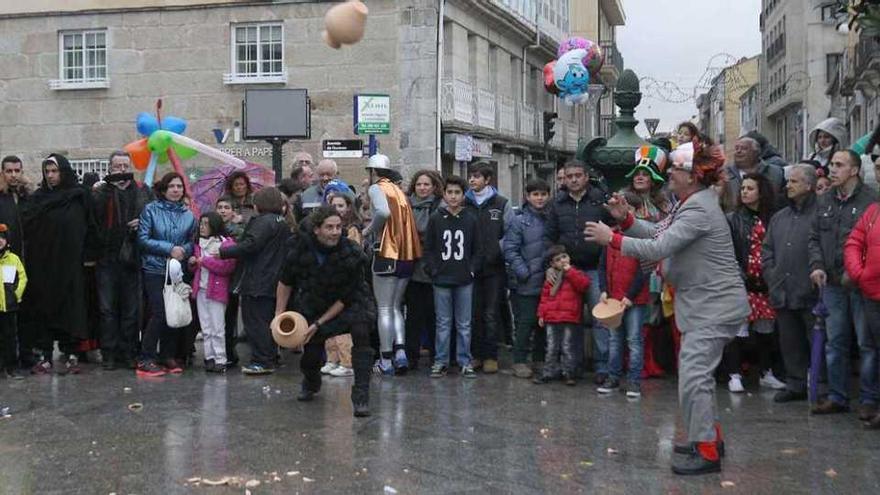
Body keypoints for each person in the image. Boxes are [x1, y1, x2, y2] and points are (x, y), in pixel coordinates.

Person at [585, 142, 749, 475]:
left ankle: (706, 451)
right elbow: (660, 232)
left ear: (692, 175)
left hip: (713, 307)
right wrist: (627, 220)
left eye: (675, 168)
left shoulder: (698, 208)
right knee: (695, 378)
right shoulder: (690, 204)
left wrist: (613, 239)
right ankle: (707, 438)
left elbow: (660, 246)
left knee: (693, 378)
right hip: (706, 305)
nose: (669, 173)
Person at [276, 206, 376, 416]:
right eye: (329, 227)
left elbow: (347, 297)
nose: (335, 232)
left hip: (350, 301)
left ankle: (361, 395)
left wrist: (318, 324)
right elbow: (285, 282)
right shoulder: (298, 249)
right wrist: (279, 316)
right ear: (316, 230)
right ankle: (311, 382)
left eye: (339, 227)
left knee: (361, 333)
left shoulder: (352, 253)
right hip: (314, 300)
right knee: (311, 355)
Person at [809, 150, 878, 418]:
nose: (832, 169)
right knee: (834, 341)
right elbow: (814, 237)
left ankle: (869, 399)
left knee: (867, 343)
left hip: (862, 285)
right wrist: (816, 266)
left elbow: (872, 241)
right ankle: (837, 397)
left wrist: (857, 272)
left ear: (854, 170)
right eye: (832, 164)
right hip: (833, 283)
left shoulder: (871, 200)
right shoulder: (825, 200)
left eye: (839, 165)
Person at [21, 154, 97, 375]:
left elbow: (91, 226)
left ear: (63, 171)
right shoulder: (39, 198)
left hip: (72, 264)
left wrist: (90, 255)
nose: (51, 176)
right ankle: (45, 355)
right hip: (44, 265)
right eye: (48, 172)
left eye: (55, 171)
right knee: (45, 308)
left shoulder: (79, 196)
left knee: (71, 309)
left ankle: (72, 353)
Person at [544, 159, 614, 383]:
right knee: (570, 319)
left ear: (586, 177)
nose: (573, 179)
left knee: (600, 319)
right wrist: (551, 265)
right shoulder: (557, 203)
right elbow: (550, 236)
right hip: (567, 270)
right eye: (570, 176)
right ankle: (571, 367)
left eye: (578, 175)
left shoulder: (598, 201)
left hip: (595, 268)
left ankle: (603, 367)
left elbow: (612, 231)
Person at [721, 173, 786, 393]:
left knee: (765, 330)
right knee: (738, 330)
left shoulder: (772, 219)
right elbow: (729, 252)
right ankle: (734, 374)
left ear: (761, 192)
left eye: (750, 188)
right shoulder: (732, 219)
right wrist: (740, 276)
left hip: (765, 284)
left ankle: (766, 372)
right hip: (741, 283)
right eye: (743, 188)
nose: (745, 192)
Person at [219, 187, 292, 375]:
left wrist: (223, 251)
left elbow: (250, 245)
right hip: (274, 278)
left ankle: (262, 360)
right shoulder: (282, 222)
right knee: (267, 319)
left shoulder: (262, 222)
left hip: (257, 279)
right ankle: (271, 356)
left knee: (255, 321)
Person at [763, 164, 819, 403]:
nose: (788, 185)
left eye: (794, 181)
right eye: (788, 181)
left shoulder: (821, 212)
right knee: (790, 341)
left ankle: (821, 386)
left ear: (809, 185)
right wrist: (771, 273)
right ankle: (795, 383)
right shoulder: (779, 217)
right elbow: (767, 249)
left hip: (811, 291)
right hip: (782, 290)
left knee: (816, 341)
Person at [92, 151, 152, 370]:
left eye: (125, 166)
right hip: (107, 258)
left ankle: (128, 352)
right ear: (110, 168)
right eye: (117, 166)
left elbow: (151, 217)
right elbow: (93, 222)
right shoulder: (101, 192)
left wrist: (141, 223)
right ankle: (109, 352)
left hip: (132, 258)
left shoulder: (142, 191)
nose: (122, 170)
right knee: (107, 309)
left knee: (131, 309)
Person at [362, 154, 421, 374]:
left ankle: (385, 359)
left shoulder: (377, 188)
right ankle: (400, 352)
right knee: (397, 307)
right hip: (406, 254)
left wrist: (368, 231)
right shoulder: (398, 190)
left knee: (384, 308)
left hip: (386, 253)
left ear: (373, 171)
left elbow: (383, 212)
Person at [136, 172, 196, 377]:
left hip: (177, 270)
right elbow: (143, 239)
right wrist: (169, 248)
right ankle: (146, 357)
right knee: (159, 313)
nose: (176, 190)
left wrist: (184, 251)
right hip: (154, 268)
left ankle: (167, 355)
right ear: (163, 189)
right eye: (172, 186)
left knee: (174, 312)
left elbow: (191, 241)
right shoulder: (150, 210)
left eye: (179, 186)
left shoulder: (188, 215)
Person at [424, 176, 481, 379]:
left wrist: (471, 269)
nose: (453, 196)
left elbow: (477, 249)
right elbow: (428, 248)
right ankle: (441, 361)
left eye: (457, 192)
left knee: (464, 323)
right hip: (442, 278)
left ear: (463, 195)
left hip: (464, 278)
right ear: (444, 194)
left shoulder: (470, 218)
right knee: (443, 322)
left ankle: (464, 361)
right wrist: (432, 269)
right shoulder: (436, 218)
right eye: (450, 192)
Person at [596, 191, 650, 397]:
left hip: (634, 299)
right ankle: (613, 377)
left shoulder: (642, 236)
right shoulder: (610, 235)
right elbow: (602, 266)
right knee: (614, 339)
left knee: (634, 340)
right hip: (613, 298)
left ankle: (634, 381)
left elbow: (644, 269)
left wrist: (630, 295)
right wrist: (603, 290)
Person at [463, 162, 513, 374]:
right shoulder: (465, 203)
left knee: (491, 313)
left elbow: (509, 233)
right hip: (470, 266)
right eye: (471, 176)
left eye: (476, 176)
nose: (472, 180)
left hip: (494, 268)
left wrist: (498, 251)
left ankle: (491, 356)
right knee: (473, 313)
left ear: (487, 179)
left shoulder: (501, 203)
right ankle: (476, 355)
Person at [844, 151, 880, 429]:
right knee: (870, 348)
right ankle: (870, 401)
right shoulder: (873, 211)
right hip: (871, 293)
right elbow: (854, 242)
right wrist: (859, 273)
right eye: (877, 168)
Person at [503, 178, 551, 379]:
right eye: (535, 194)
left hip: (548, 280)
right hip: (526, 280)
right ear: (527, 196)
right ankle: (519, 360)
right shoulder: (518, 220)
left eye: (543, 194)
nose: (539, 198)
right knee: (525, 321)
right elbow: (510, 249)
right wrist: (523, 271)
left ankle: (539, 359)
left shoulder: (552, 218)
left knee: (543, 322)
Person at [320, 192, 364, 378]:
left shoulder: (352, 229)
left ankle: (347, 361)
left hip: (344, 280)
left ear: (348, 207)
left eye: (340, 205)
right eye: (333, 205)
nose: (337, 209)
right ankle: (332, 358)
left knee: (342, 323)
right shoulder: (325, 229)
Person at [534, 245, 591, 386]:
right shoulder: (551, 279)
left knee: (567, 347)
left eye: (564, 257)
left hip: (569, 317)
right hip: (552, 318)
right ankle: (548, 372)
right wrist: (541, 314)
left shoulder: (575, 273)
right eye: (558, 259)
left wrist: (570, 272)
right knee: (552, 347)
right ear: (553, 264)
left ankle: (568, 373)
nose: (563, 261)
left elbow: (583, 284)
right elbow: (545, 298)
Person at [404, 170, 443, 369]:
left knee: (434, 316)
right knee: (413, 316)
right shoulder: (406, 206)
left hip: (433, 269)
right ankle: (411, 356)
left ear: (434, 186)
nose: (422, 188)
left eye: (426, 184)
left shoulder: (440, 206)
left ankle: (438, 356)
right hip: (411, 269)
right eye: (419, 184)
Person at [189, 212, 236, 373]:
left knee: (217, 326)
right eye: (201, 224)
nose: (202, 227)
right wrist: (193, 263)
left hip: (217, 290)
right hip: (201, 289)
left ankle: (220, 358)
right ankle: (209, 356)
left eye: (206, 224)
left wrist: (205, 261)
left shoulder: (225, 244)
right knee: (206, 326)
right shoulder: (198, 245)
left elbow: (227, 267)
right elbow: (195, 268)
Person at [722, 136, 785, 212]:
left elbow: (782, 201)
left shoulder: (775, 172)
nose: (738, 151)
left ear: (756, 152)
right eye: (736, 148)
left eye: (744, 148)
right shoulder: (724, 174)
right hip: (733, 221)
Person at [0, 224, 26, 379]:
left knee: (10, 337)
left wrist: (16, 295)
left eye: (2, 238)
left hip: (9, 307)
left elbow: (22, 278)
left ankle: (12, 367)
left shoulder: (13, 259)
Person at [0, 155, 28, 256]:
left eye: (17, 170)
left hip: (28, 256)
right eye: (9, 171)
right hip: (5, 257)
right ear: (2, 173)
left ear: (22, 172)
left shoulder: (28, 196)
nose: (13, 175)